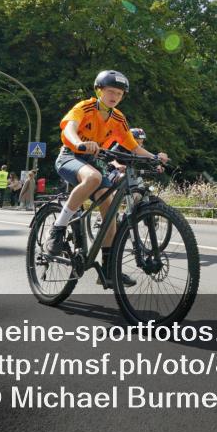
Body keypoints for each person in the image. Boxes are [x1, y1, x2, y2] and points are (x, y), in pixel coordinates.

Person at [47, 70, 168, 288]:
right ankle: (58, 228)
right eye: (111, 91)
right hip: (70, 156)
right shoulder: (85, 107)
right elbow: (70, 130)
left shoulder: (118, 118)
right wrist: (81, 144)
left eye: (119, 94)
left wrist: (154, 157)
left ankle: (109, 269)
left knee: (109, 209)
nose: (114, 97)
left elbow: (133, 146)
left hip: (94, 160)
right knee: (93, 178)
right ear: (99, 90)